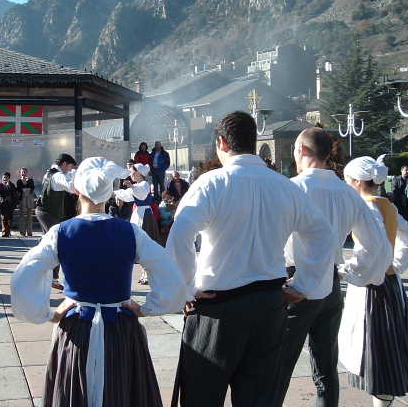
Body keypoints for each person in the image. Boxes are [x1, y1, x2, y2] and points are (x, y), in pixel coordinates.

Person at [166, 111, 334, 407]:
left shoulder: (211, 183)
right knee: (259, 400)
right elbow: (322, 233)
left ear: (221, 142)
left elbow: (180, 235)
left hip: (219, 307)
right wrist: (305, 284)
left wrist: (185, 287)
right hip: (269, 305)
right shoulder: (285, 186)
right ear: (254, 142)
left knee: (201, 398)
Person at [10, 156, 189, 407]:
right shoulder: (130, 232)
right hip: (120, 328)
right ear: (108, 194)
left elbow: (23, 276)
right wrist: (148, 308)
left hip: (77, 328)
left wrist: (48, 313)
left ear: (77, 190)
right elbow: (169, 271)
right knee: (122, 391)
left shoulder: (60, 233)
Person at [273, 128, 391, 407]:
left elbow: (271, 241)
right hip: (330, 284)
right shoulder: (347, 193)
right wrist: (356, 273)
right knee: (325, 367)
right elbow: (378, 247)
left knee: (276, 366)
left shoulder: (291, 188)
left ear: (301, 150)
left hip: (294, 284)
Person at [339, 156, 408, 407]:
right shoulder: (388, 206)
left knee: (375, 348)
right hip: (390, 283)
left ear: (356, 181)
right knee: (387, 346)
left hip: (372, 287)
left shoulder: (365, 207)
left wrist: (348, 270)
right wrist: (395, 266)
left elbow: (370, 250)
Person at [35, 153, 77, 290]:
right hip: (49, 212)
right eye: (70, 167)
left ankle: (43, 273)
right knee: (57, 244)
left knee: (49, 242)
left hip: (45, 211)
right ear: (64, 164)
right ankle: (50, 277)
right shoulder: (58, 175)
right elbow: (71, 187)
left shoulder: (49, 172)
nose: (70, 170)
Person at [114, 163, 161, 285]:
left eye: (132, 172)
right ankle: (145, 273)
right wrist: (114, 192)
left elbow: (141, 193)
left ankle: (148, 274)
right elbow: (127, 196)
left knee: (145, 244)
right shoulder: (136, 186)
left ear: (139, 173)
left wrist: (131, 187)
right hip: (139, 214)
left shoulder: (144, 184)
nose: (131, 175)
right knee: (139, 245)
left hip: (145, 216)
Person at [16, 167, 35, 237]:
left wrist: (26, 187)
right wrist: (26, 189)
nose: (23, 173)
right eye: (22, 172)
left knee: (29, 216)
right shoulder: (18, 181)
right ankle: (22, 232)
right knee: (22, 216)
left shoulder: (30, 180)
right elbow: (19, 189)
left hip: (29, 200)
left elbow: (32, 188)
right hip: (22, 200)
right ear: (20, 173)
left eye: (24, 172)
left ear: (27, 173)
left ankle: (29, 232)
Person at [0, 172, 18, 237]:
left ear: (9, 178)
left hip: (10, 204)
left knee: (10, 219)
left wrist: (14, 204)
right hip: (3, 204)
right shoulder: (0, 185)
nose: (4, 179)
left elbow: (15, 195)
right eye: (4, 177)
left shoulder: (12, 185)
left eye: (6, 177)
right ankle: (4, 232)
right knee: (4, 218)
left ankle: (8, 231)